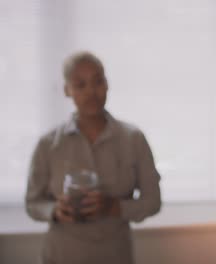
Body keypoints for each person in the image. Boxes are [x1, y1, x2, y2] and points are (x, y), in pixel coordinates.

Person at [25, 51, 162, 264]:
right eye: (80, 85)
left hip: (115, 254)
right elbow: (32, 203)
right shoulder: (48, 144)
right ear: (66, 90)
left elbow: (153, 202)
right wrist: (55, 210)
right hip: (62, 254)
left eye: (98, 81)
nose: (91, 92)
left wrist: (114, 207)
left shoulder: (133, 139)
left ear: (107, 84)